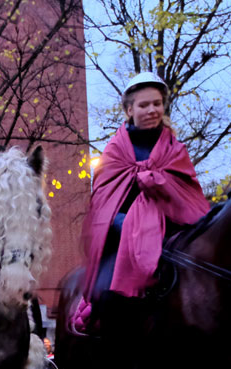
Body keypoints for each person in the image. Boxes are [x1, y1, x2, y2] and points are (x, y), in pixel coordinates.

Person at [72, 72, 209, 335]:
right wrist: (128, 225)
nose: (152, 110)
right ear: (129, 110)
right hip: (121, 241)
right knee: (106, 297)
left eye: (157, 103)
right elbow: (102, 205)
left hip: (170, 240)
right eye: (144, 105)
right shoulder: (113, 152)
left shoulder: (176, 151)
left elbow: (189, 202)